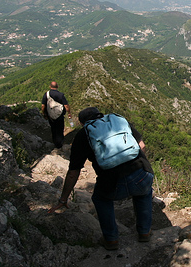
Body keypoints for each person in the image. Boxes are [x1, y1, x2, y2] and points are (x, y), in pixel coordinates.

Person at [48, 107, 154, 250]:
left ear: (82, 123)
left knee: (100, 198)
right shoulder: (118, 121)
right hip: (140, 175)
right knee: (144, 192)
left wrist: (63, 199)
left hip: (112, 184)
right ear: (101, 115)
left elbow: (74, 172)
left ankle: (111, 240)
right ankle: (144, 232)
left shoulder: (83, 134)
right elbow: (141, 146)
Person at [41, 81, 72, 149]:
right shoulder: (61, 95)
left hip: (50, 115)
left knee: (53, 129)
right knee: (60, 129)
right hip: (59, 115)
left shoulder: (46, 94)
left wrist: (44, 114)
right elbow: (66, 106)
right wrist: (69, 113)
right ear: (57, 86)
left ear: (50, 87)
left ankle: (55, 142)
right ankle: (60, 143)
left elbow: (43, 106)